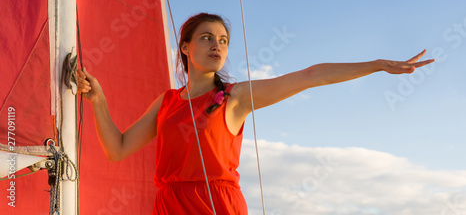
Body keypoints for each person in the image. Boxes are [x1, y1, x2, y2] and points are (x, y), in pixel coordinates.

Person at [77, 13, 435, 214]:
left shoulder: (234, 97)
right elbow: (118, 148)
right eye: (206, 38)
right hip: (170, 205)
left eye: (222, 40)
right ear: (185, 47)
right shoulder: (167, 101)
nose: (217, 45)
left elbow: (309, 76)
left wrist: (376, 65)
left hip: (217, 204)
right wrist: (100, 102)